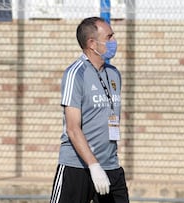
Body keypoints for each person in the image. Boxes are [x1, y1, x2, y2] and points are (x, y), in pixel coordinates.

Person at [49, 17, 129, 203]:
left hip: (110, 167)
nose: (113, 42)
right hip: (78, 168)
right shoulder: (75, 74)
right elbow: (72, 128)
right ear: (92, 43)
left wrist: (104, 165)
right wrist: (93, 166)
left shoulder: (114, 73)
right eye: (109, 37)